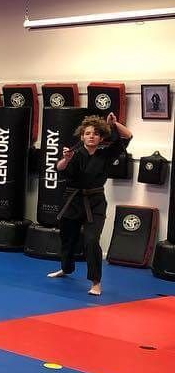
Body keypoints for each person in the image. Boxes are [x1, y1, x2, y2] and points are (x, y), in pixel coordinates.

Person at [48, 112, 132, 296]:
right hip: (72, 200)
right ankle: (66, 268)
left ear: (101, 137)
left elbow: (128, 136)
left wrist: (114, 124)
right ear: (82, 137)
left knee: (91, 240)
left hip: (95, 202)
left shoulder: (106, 154)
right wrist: (66, 159)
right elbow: (59, 167)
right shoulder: (75, 154)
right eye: (87, 133)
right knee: (67, 238)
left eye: (95, 133)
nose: (91, 136)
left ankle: (95, 282)